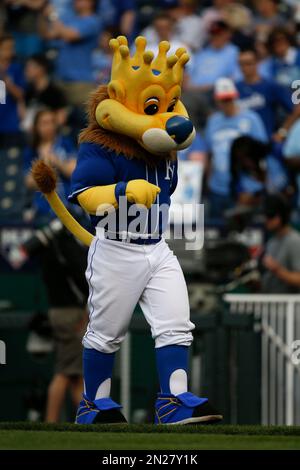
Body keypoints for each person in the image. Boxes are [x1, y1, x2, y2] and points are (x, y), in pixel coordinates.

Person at [24, 109, 88, 423]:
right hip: (68, 309)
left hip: (64, 307)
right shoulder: (56, 246)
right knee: (67, 372)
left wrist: (56, 161)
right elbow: (27, 180)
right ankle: (55, 425)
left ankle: (85, 422)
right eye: (42, 122)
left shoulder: (62, 147)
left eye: (50, 120)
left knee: (74, 374)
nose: (47, 125)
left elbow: (76, 173)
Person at [204, 77, 268, 219]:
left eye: (229, 99)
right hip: (218, 187)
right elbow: (209, 153)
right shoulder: (213, 121)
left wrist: (258, 184)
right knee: (216, 232)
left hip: (245, 188)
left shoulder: (251, 119)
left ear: (235, 97)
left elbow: (261, 153)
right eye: (223, 100)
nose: (227, 103)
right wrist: (208, 181)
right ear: (217, 100)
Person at [39, 0, 100, 106]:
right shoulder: (69, 20)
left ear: (91, 2)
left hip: (80, 83)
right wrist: (42, 13)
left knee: (82, 120)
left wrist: (52, 15)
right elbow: (47, 35)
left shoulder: (93, 21)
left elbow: (70, 35)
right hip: (60, 79)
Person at [236, 48, 299, 139]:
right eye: (241, 64)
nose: (245, 68)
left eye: (248, 63)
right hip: (241, 141)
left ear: (257, 63)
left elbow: (296, 109)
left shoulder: (270, 85)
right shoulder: (235, 88)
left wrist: (282, 133)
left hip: (265, 142)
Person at [262, 193, 300, 293]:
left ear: (280, 217)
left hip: (290, 306)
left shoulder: (294, 241)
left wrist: (278, 270)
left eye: (270, 216)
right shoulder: (271, 242)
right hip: (270, 303)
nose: (266, 220)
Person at [24, 53, 68, 130]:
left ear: (41, 69)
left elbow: (61, 118)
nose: (26, 70)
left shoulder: (55, 92)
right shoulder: (28, 92)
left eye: (30, 67)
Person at [0, 34, 25, 148]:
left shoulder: (16, 68)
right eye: (7, 48)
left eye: (12, 48)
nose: (11, 51)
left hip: (10, 124)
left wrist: (6, 80)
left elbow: (20, 94)